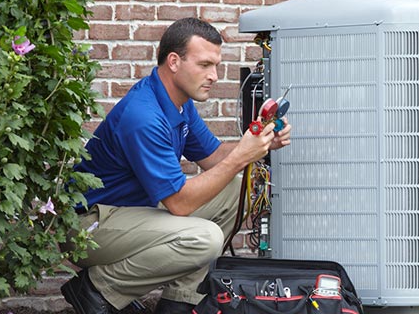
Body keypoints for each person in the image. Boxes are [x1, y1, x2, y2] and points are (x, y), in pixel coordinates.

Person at [59, 17, 291, 314]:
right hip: (88, 227)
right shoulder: (143, 116)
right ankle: (97, 289)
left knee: (236, 188)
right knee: (204, 238)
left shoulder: (178, 103)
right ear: (174, 61)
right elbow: (179, 204)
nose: (215, 75)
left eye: (216, 66)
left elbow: (214, 158)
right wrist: (241, 156)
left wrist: (260, 145)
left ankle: (179, 302)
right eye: (205, 65)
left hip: (129, 214)